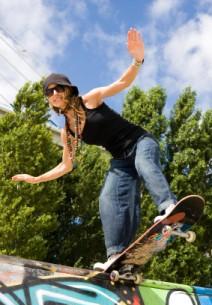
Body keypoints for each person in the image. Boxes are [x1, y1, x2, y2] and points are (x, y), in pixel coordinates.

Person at [12, 28, 177, 270]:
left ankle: (169, 207)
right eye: (50, 91)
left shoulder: (91, 99)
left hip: (140, 142)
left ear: (68, 90)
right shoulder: (66, 131)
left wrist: (137, 60)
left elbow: (122, 82)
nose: (55, 93)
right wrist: (36, 179)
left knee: (144, 164)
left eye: (58, 88)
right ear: (48, 99)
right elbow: (65, 165)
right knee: (108, 197)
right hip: (121, 160)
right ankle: (116, 256)